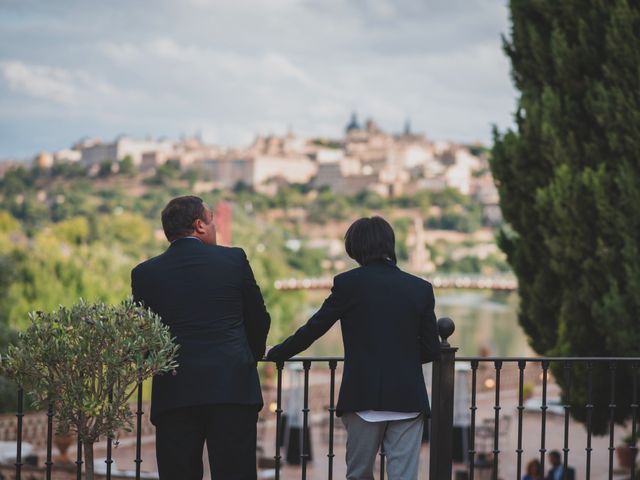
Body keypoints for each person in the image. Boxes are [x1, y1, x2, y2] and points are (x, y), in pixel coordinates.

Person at [266, 216, 441, 480]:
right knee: (404, 476)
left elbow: (314, 329)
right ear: (390, 244)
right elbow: (431, 349)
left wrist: (277, 353)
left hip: (362, 396)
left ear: (357, 249)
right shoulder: (420, 288)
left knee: (358, 474)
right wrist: (401, 359)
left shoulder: (348, 284)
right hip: (407, 396)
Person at [131, 195, 270, 480]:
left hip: (175, 394)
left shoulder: (145, 274)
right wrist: (248, 357)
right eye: (212, 219)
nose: (216, 226)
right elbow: (259, 318)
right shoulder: (234, 259)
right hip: (232, 388)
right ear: (200, 226)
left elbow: (142, 336)